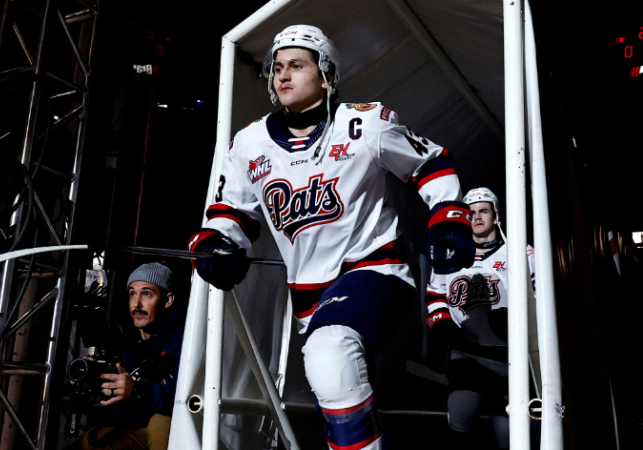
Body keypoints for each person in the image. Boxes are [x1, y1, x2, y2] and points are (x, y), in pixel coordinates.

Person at [187, 24, 474, 450]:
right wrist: (215, 244)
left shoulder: (364, 123)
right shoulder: (248, 143)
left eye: (297, 66)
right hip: (309, 295)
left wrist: (449, 214)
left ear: (327, 76)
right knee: (335, 386)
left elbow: (428, 163)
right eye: (277, 68)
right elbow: (231, 213)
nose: (283, 75)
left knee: (330, 352)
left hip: (376, 268)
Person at [424, 187, 535, 449]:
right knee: (462, 409)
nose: (476, 217)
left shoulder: (523, 253)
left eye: (483, 211)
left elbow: (541, 295)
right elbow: (435, 294)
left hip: (512, 359)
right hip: (467, 355)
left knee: (509, 432)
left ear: (496, 217)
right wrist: (441, 323)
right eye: (471, 213)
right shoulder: (448, 256)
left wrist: (522, 320)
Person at [76, 262, 186, 450]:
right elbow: (106, 404)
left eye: (147, 294)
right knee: (90, 441)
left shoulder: (183, 333)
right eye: (132, 294)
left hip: (172, 420)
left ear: (167, 300)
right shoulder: (123, 334)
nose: (137, 304)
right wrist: (92, 382)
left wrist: (136, 390)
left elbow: (182, 396)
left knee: (160, 424)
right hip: (135, 421)